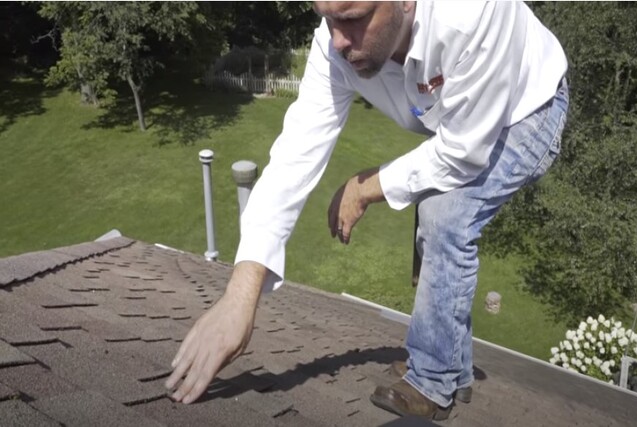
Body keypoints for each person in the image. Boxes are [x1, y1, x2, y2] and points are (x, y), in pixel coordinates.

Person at [165, 1, 569, 420]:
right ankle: (453, 366)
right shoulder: (334, 44)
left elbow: (463, 153)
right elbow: (294, 155)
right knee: (437, 208)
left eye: (353, 19)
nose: (338, 40)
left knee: (445, 214)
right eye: (329, 19)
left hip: (529, 108)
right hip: (464, 118)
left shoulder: (476, 11)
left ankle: (434, 379)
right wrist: (239, 296)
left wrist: (365, 187)